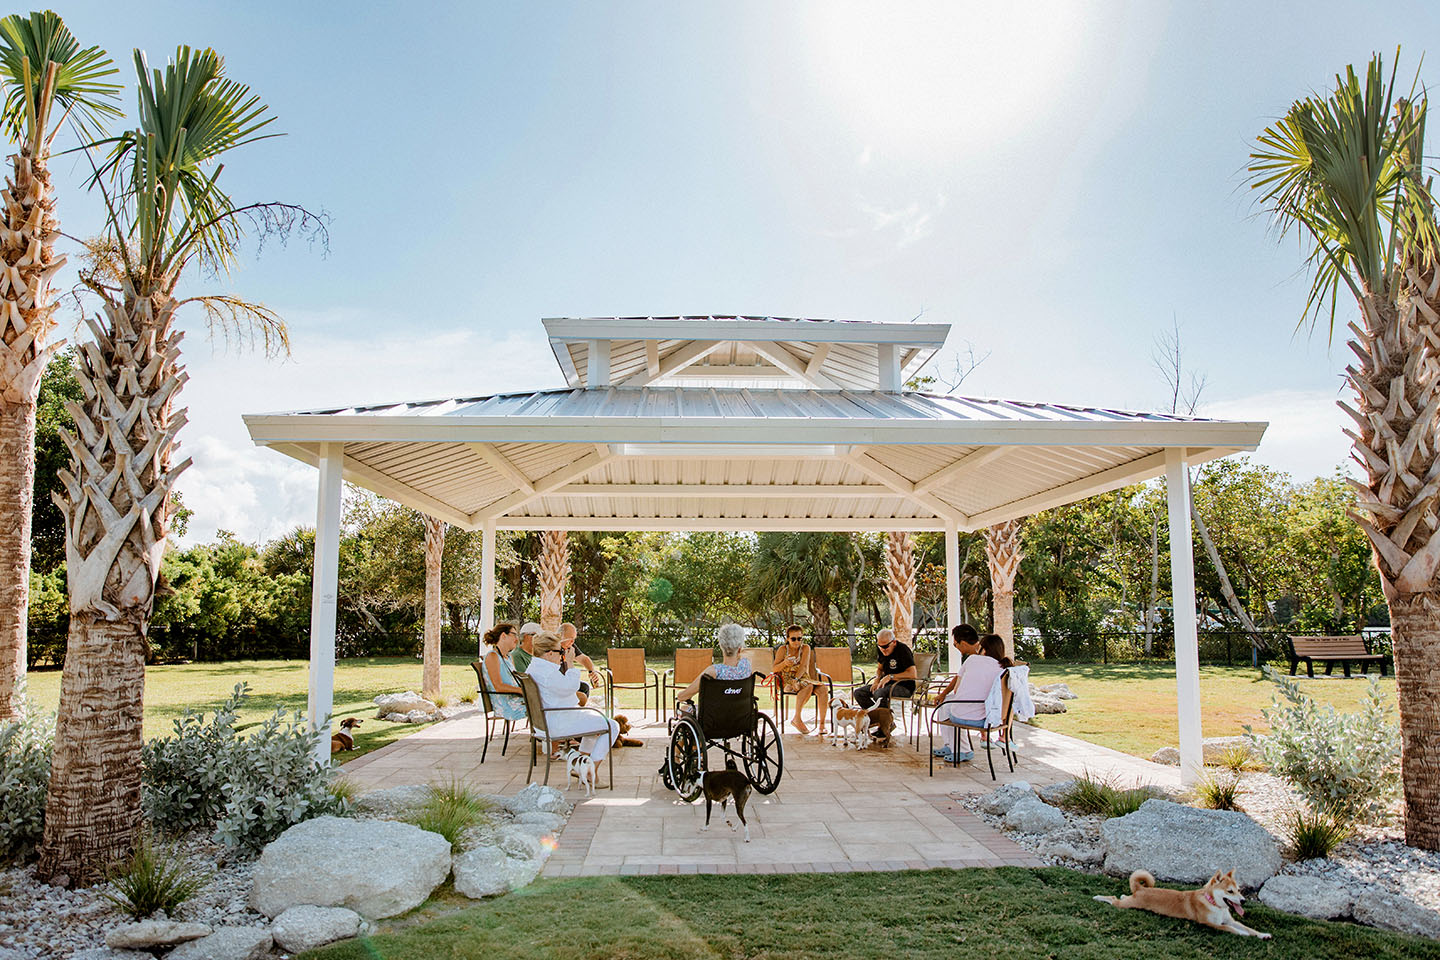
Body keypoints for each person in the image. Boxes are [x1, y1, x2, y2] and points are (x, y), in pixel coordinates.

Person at [526, 631, 620, 767]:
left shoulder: (533, 668)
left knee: (593, 722)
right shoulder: (547, 673)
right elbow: (571, 687)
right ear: (549, 653)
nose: (562, 656)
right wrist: (570, 663)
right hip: (557, 723)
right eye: (561, 652)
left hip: (545, 722)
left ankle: (580, 763)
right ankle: (589, 769)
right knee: (612, 725)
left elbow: (562, 691)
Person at [932, 633, 1009, 762]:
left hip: (965, 717)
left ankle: (960, 749)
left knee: (946, 706)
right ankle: (953, 747)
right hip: (988, 719)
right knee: (948, 704)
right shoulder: (1003, 668)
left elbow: (957, 689)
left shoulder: (972, 659)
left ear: (983, 648)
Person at [769, 624, 828, 735]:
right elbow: (774, 668)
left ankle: (822, 725)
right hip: (786, 679)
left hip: (802, 677)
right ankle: (797, 718)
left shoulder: (805, 648)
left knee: (823, 689)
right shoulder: (782, 650)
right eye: (793, 639)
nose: (797, 642)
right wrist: (784, 663)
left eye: (799, 638)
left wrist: (796, 679)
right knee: (808, 686)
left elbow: (804, 666)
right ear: (787, 639)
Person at [677, 623, 754, 707]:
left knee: (684, 708)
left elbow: (683, 697)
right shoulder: (746, 665)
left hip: (714, 716)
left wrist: (680, 695)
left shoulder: (714, 671)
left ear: (721, 646)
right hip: (742, 715)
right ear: (739, 649)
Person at [853, 628, 916, 710]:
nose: (883, 650)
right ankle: (875, 717)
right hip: (885, 684)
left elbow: (912, 674)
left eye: (886, 647)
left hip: (904, 686)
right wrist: (877, 680)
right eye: (880, 646)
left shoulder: (903, 650)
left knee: (879, 693)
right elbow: (880, 669)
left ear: (894, 642)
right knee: (859, 693)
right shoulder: (882, 650)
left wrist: (891, 676)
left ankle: (886, 720)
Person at [477, 622, 526, 721]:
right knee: (540, 705)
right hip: (506, 705)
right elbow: (498, 686)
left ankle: (542, 734)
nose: (517, 639)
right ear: (503, 636)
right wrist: (521, 691)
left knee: (544, 702)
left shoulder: (509, 657)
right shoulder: (492, 656)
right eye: (514, 635)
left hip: (515, 699)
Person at [560, 621, 603, 705]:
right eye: (570, 639)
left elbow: (584, 659)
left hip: (567, 682)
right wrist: (569, 662)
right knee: (580, 691)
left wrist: (591, 671)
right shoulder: (553, 648)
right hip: (558, 683)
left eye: (574, 639)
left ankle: (575, 711)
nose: (572, 642)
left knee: (584, 687)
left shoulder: (569, 646)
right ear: (561, 636)